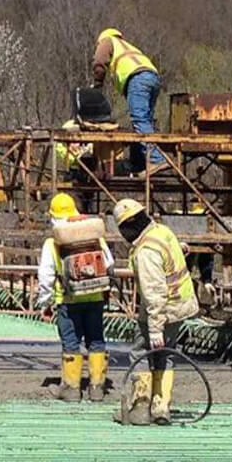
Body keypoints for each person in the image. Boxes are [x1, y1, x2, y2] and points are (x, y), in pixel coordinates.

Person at [113, 198, 200, 425]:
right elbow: (173, 253)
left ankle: (141, 407)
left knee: (141, 353)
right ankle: (161, 408)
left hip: (162, 310)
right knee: (166, 354)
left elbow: (153, 293)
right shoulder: (162, 232)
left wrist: (154, 328)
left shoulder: (146, 252)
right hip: (180, 305)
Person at [35, 192, 114, 401]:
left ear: (53, 216)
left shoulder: (53, 243)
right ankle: (97, 388)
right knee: (96, 340)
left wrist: (45, 302)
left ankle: (71, 388)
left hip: (68, 301)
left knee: (71, 342)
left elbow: (45, 276)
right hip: (95, 298)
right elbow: (109, 264)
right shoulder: (94, 237)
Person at [91, 29, 167, 171]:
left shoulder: (107, 41)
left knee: (139, 120)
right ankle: (140, 165)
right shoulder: (128, 46)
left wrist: (97, 85)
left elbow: (99, 63)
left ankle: (157, 159)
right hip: (152, 78)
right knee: (145, 121)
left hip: (137, 79)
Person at [50, 87, 120, 189]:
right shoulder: (69, 128)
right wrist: (75, 153)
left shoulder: (101, 130)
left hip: (93, 166)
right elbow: (61, 147)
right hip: (76, 167)